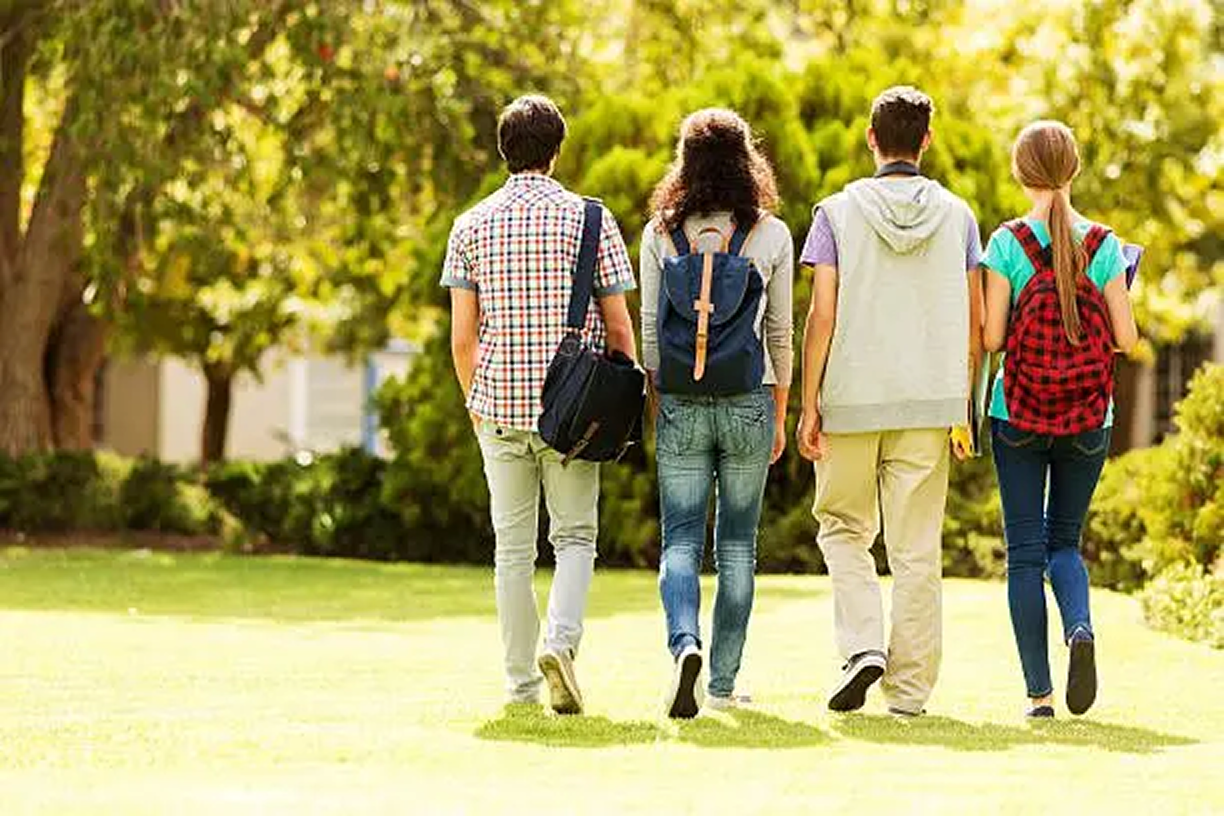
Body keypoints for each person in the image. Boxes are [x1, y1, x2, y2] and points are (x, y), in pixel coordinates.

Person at [441, 95, 638, 715]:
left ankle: (521, 685)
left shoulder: (470, 224)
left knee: (512, 553)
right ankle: (560, 643)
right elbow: (618, 328)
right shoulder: (589, 219)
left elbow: (462, 337)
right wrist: (628, 395)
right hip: (573, 414)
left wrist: (478, 408)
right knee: (576, 536)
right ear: (557, 152)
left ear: (504, 151)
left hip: (498, 406)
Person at [797, 86, 984, 717]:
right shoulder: (959, 217)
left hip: (850, 399)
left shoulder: (835, 214)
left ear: (871, 139)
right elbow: (976, 322)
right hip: (930, 407)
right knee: (916, 552)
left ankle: (862, 649)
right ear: (926, 141)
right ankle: (907, 695)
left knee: (843, 529)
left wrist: (808, 403)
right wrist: (964, 407)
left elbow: (820, 316)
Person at [640, 108, 794, 718]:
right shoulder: (770, 235)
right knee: (736, 547)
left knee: (679, 538)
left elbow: (653, 332)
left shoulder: (660, 234)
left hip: (681, 399)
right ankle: (724, 682)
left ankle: (685, 646)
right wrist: (779, 411)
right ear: (745, 160)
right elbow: (780, 333)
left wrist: (661, 400)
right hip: (748, 399)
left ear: (685, 162)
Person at [982, 120, 1137, 719]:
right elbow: (1125, 337)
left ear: (1023, 174)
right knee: (1064, 543)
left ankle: (1040, 697)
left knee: (1024, 553)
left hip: (1017, 412)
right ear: (1073, 170)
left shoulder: (1006, 244)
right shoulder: (1104, 245)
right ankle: (1079, 630)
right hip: (1088, 418)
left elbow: (995, 336)